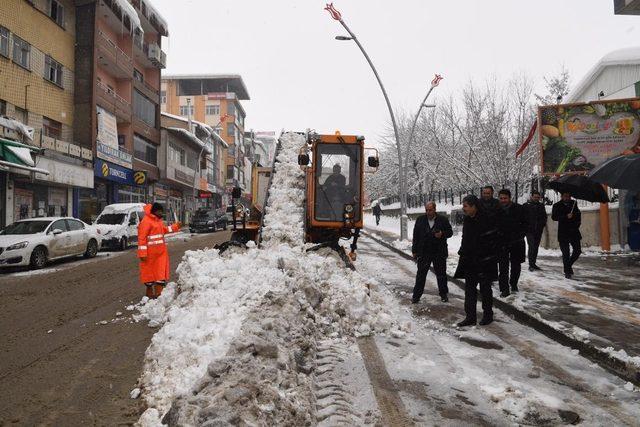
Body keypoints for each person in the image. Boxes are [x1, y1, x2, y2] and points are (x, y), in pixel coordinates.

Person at [454, 195, 499, 327]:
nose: (464, 209)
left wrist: (486, 256)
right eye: (463, 206)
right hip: (470, 261)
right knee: (469, 290)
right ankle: (470, 317)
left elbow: (492, 240)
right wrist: (463, 251)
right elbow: (465, 238)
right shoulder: (468, 220)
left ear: (474, 206)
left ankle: (488, 315)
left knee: (485, 289)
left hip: (484, 261)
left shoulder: (487, 219)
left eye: (466, 206)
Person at [411, 201, 453, 303]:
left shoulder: (442, 220)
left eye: (430, 210)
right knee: (421, 275)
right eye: (426, 210)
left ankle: (443, 294)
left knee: (441, 275)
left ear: (435, 209)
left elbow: (450, 232)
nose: (428, 212)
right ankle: (416, 296)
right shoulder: (420, 220)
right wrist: (414, 250)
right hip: (424, 252)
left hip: (439, 252)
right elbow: (415, 235)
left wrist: (442, 234)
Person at [137, 203, 181, 298]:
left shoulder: (158, 221)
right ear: (154, 211)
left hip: (160, 254)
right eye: (159, 211)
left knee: (160, 274)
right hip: (149, 255)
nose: (161, 213)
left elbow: (164, 230)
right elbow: (142, 238)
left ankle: (159, 294)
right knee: (149, 275)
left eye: (162, 211)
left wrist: (176, 226)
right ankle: (149, 292)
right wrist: (142, 253)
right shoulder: (146, 221)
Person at [496, 189, 527, 296]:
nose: (503, 200)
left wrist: (520, 235)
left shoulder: (519, 208)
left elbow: (525, 223)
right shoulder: (496, 210)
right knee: (503, 267)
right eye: (501, 198)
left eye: (505, 198)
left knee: (516, 266)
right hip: (502, 242)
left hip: (516, 241)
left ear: (510, 198)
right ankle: (504, 288)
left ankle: (513, 283)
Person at [551, 192, 581, 279]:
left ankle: (568, 265)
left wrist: (577, 222)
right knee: (566, 253)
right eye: (565, 196)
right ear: (561, 196)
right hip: (563, 232)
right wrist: (565, 216)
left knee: (577, 251)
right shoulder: (557, 205)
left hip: (574, 231)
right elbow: (554, 217)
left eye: (568, 196)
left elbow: (578, 215)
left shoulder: (573, 203)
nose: (567, 198)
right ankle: (567, 271)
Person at [523, 190, 548, 271]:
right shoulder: (526, 205)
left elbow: (544, 217)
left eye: (538, 197)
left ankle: (533, 263)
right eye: (535, 197)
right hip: (529, 230)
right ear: (531, 197)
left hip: (538, 230)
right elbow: (522, 217)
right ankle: (531, 264)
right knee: (532, 246)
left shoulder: (541, 206)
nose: (536, 198)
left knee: (536, 247)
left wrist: (542, 224)